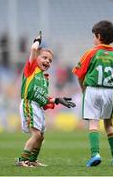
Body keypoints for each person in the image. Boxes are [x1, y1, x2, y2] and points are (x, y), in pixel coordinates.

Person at [16, 31, 76, 167]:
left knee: (41, 136)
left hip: (37, 106)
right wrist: (37, 40)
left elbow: (43, 98)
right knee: (36, 135)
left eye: (50, 60)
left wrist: (57, 100)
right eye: (44, 57)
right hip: (29, 104)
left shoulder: (44, 79)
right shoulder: (31, 69)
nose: (47, 61)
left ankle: (32, 160)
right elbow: (33, 49)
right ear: (36, 58)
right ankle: (22, 160)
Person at [72, 20, 113, 167]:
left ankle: (95, 154)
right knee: (109, 125)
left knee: (93, 123)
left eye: (94, 36)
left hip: (92, 90)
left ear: (98, 36)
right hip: (109, 92)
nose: (93, 39)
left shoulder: (91, 52)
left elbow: (78, 74)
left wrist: (83, 89)